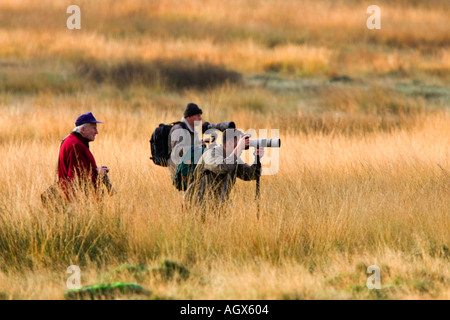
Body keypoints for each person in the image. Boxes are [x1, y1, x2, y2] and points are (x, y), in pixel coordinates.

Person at [184, 128, 264, 209]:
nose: (243, 145)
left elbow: (250, 175)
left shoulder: (233, 158)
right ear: (229, 143)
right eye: (240, 142)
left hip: (218, 204)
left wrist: (257, 159)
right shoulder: (211, 153)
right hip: (196, 203)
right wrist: (238, 149)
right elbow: (222, 167)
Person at [58, 112, 109, 199]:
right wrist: (97, 172)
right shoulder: (76, 145)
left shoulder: (72, 141)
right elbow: (77, 177)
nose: (97, 132)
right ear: (82, 130)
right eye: (94, 128)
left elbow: (79, 170)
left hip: (74, 197)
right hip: (75, 200)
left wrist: (94, 170)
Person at [167, 103, 205, 180]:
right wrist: (196, 149)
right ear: (189, 117)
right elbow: (178, 151)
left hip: (190, 166)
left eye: (200, 115)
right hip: (179, 170)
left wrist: (202, 147)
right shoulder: (179, 129)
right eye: (198, 115)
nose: (200, 118)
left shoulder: (194, 129)